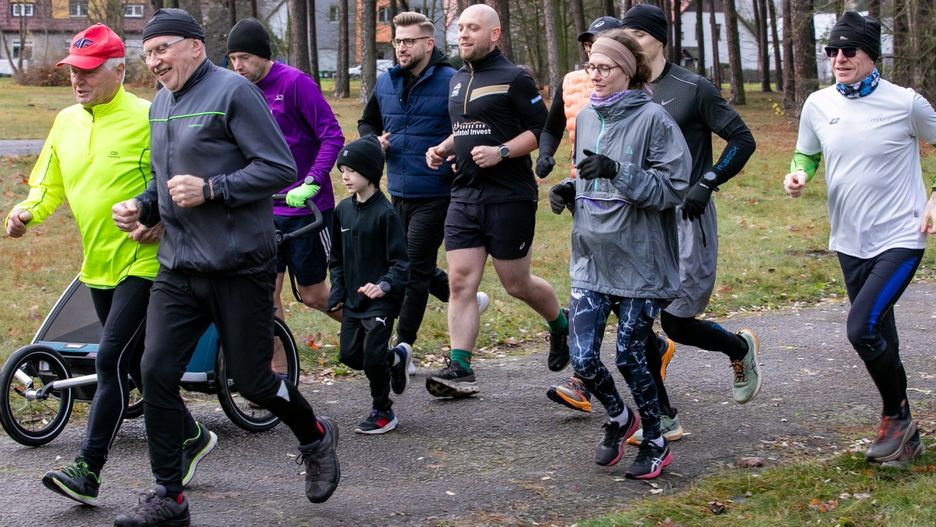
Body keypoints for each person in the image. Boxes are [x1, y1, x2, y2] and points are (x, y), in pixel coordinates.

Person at [111, 9, 339, 526]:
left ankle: (316, 437)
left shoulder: (235, 93)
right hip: (179, 267)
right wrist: (144, 206)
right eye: (147, 53)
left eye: (162, 49)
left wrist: (213, 190)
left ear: (195, 46)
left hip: (238, 265)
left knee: (254, 382)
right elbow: (170, 180)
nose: (154, 62)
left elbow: (279, 167)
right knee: (154, 372)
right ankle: (170, 496)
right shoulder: (163, 104)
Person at [3, 23, 215, 508]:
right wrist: (26, 212)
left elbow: (182, 179)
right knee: (138, 364)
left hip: (147, 263)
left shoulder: (150, 116)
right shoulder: (65, 121)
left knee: (110, 361)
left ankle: (88, 469)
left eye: (90, 71)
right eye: (74, 71)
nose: (78, 80)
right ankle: (194, 437)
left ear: (119, 70)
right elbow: (50, 184)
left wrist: (162, 216)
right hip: (96, 264)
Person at [548, 4, 761, 446]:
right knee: (639, 320)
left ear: (657, 40)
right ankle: (661, 416)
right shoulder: (605, 100)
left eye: (635, 36)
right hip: (631, 225)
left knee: (679, 323)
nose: (625, 44)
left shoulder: (692, 88)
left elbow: (743, 139)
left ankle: (738, 348)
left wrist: (708, 181)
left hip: (686, 215)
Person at [784, 12, 936, 466]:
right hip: (849, 239)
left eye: (849, 50)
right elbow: (807, 151)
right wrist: (799, 174)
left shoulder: (906, 103)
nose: (839, 58)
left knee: (861, 327)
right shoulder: (818, 103)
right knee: (880, 330)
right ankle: (903, 427)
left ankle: (896, 418)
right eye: (832, 51)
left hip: (901, 236)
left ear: (871, 54)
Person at [549, 30, 690, 478]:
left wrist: (618, 171)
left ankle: (655, 439)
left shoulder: (654, 120)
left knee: (630, 355)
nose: (595, 75)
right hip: (592, 257)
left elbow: (673, 189)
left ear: (626, 74)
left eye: (604, 68)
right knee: (584, 358)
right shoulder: (588, 116)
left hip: (640, 263)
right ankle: (617, 417)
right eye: (591, 66)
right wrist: (570, 189)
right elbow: (588, 176)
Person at [424, 3, 565, 397]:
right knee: (459, 281)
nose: (463, 35)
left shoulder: (515, 77)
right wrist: (443, 147)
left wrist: (502, 152)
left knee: (515, 283)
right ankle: (461, 368)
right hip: (464, 194)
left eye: (472, 28)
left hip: (509, 196)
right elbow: (466, 129)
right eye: (460, 29)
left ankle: (561, 324)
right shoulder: (456, 80)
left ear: (494, 34)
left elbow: (542, 131)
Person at [357, 11, 487, 377]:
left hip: (437, 192)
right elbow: (368, 120)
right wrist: (373, 140)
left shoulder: (452, 81)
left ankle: (404, 347)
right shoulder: (386, 82)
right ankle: (464, 298)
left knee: (412, 269)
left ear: (429, 43)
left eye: (409, 41)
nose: (401, 47)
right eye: (398, 41)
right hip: (396, 189)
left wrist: (453, 157)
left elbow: (468, 128)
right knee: (406, 263)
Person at [226, 17, 344, 325]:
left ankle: (376, 338)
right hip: (264, 211)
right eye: (233, 59)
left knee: (313, 294)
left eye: (244, 58)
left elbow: (332, 135)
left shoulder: (294, 83)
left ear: (263, 55)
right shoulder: (238, 92)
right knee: (266, 294)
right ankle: (278, 371)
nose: (238, 66)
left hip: (307, 209)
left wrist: (312, 181)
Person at [327, 136, 410, 434]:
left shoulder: (386, 214)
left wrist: (384, 286)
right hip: (353, 299)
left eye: (351, 170)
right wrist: (337, 290)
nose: (345, 177)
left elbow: (402, 264)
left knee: (372, 357)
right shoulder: (342, 211)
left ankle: (383, 411)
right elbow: (336, 257)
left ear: (371, 172)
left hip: (382, 300)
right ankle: (395, 358)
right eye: (342, 171)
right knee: (350, 355)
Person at [536, 16, 624, 181]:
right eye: (588, 44)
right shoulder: (570, 83)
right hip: (581, 185)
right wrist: (544, 155)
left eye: (599, 42)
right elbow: (551, 130)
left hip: (624, 184)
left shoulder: (636, 85)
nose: (592, 49)